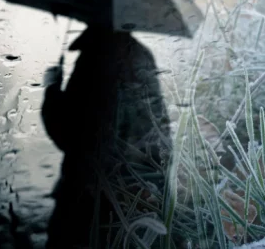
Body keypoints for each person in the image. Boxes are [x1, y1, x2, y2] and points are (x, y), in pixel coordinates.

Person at [41, 26, 172, 248]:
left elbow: (71, 135)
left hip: (89, 197)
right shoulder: (141, 55)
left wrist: (52, 89)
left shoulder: (95, 57)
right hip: (136, 192)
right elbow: (159, 130)